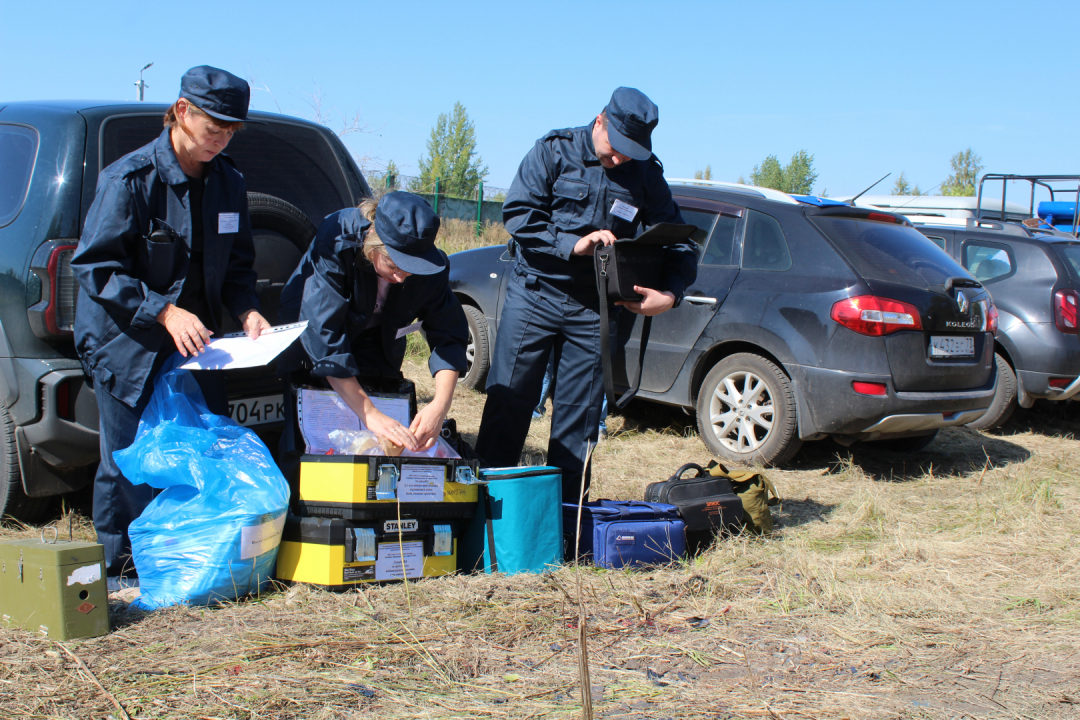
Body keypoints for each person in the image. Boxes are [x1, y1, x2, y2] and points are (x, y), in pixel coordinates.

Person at [72, 66, 271, 578]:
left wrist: (247, 308)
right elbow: (96, 267)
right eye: (213, 129)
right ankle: (118, 572)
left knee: (194, 452)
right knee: (128, 462)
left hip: (194, 348)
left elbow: (239, 266)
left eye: (230, 132)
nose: (221, 141)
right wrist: (162, 309)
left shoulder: (229, 183)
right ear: (182, 112)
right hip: (126, 343)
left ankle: (178, 560)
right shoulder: (130, 179)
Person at [475, 87, 697, 501]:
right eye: (615, 148)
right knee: (509, 402)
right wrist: (571, 244)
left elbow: (680, 242)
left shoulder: (646, 175)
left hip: (594, 309)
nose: (620, 160)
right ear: (600, 121)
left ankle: (564, 521)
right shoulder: (553, 152)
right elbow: (519, 214)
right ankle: (488, 515)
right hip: (535, 294)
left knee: (578, 421)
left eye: (631, 152)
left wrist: (670, 293)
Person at [278, 191, 468, 462]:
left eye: (410, 269)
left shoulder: (430, 269)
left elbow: (449, 333)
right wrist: (369, 413)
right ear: (372, 245)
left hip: (376, 339)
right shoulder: (337, 240)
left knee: (379, 445)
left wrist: (440, 405)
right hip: (312, 341)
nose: (402, 278)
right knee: (310, 439)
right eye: (393, 265)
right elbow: (324, 335)